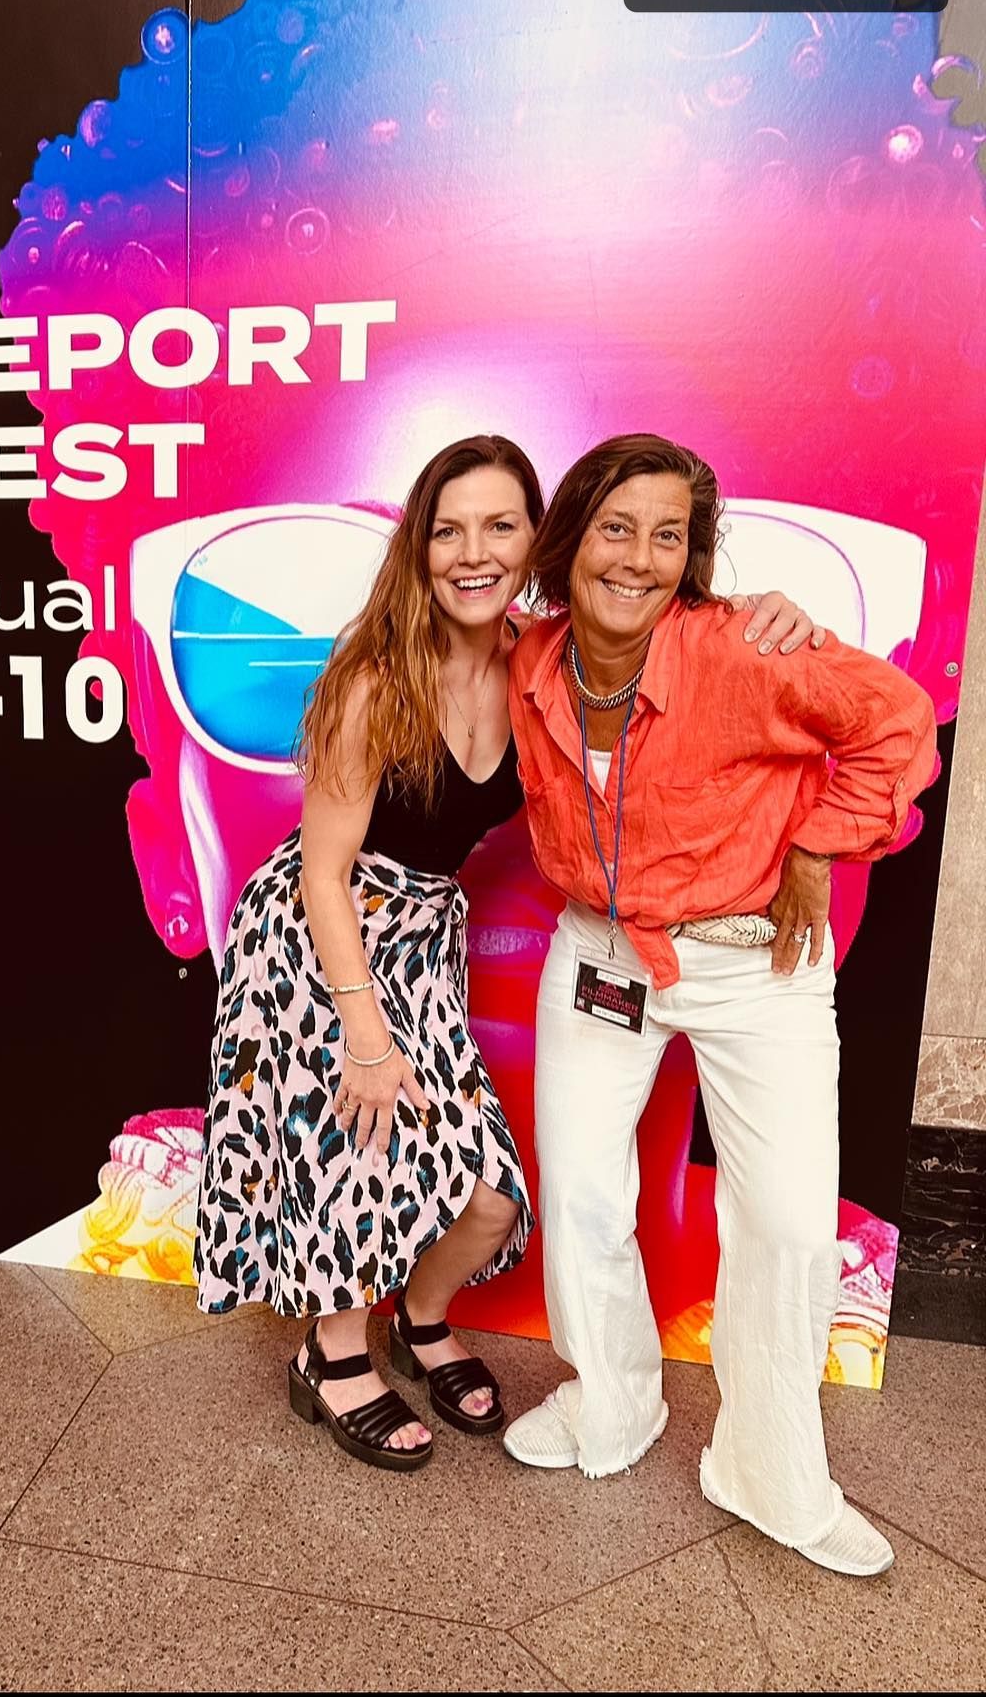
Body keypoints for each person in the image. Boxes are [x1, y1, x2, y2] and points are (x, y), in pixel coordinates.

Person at [194, 432, 817, 1471]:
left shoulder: (541, 657)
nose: (473, 552)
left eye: (500, 526)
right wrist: (362, 1033)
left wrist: (767, 615)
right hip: (318, 941)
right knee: (354, 1148)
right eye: (449, 531)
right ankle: (330, 1353)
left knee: (489, 1197)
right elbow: (322, 874)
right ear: (420, 546)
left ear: (538, 538)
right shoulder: (372, 678)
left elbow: (664, 632)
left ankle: (418, 1318)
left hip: (423, 936)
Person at [502, 432, 936, 1575]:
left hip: (752, 962)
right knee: (582, 1193)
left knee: (788, 1223)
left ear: (692, 555)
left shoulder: (744, 645)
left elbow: (898, 722)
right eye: (615, 527)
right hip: (601, 953)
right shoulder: (533, 659)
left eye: (669, 535)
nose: (638, 558)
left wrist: (820, 844)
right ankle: (611, 1402)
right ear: (571, 538)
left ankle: (771, 1470)